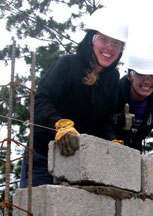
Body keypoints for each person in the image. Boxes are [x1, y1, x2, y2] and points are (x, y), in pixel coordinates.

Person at [20, 9, 128, 188]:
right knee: (39, 211)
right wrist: (60, 126)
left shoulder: (112, 78)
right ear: (91, 40)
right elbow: (41, 102)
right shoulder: (68, 65)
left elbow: (105, 122)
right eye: (104, 40)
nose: (110, 48)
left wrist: (111, 141)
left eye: (116, 43)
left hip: (79, 159)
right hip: (43, 154)